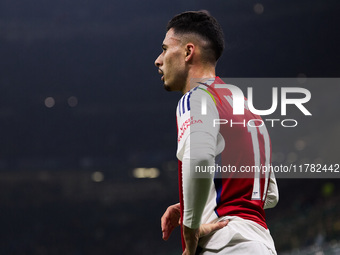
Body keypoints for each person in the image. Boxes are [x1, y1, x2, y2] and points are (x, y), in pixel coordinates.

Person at [154, 11, 279, 255]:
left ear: (189, 52)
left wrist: (190, 228)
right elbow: (269, 194)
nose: (158, 60)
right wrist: (201, 198)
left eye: (165, 49)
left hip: (225, 246)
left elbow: (199, 159)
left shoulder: (195, 98)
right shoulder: (247, 108)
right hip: (261, 244)